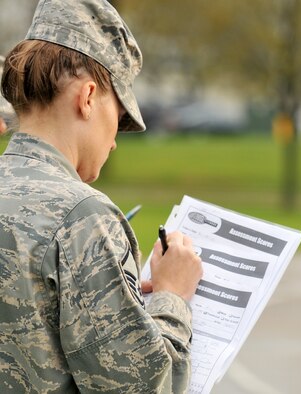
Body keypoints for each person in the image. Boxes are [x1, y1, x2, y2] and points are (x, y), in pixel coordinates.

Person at [0, 0, 203, 392]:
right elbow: (143, 387)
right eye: (119, 116)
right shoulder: (81, 216)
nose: (114, 142)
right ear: (88, 97)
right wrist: (172, 295)